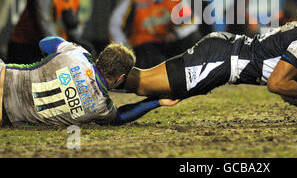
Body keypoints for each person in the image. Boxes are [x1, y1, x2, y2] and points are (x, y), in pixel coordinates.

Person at [122, 0, 297, 113]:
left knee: (148, 83)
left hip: (222, 55)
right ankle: (98, 77)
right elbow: (277, 83)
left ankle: (102, 77)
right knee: (143, 85)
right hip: (221, 59)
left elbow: (296, 68)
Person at [0, 36, 177, 127]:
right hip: (6, 114)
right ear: (120, 78)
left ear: (100, 57)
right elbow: (121, 117)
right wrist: (157, 101)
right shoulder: (101, 107)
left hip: (4, 75)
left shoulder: (78, 55)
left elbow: (45, 43)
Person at [109, 0, 200, 68]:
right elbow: (115, 23)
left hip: (166, 42)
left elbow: (193, 21)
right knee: (157, 61)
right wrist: (124, 47)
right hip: (144, 46)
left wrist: (177, 33)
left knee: (194, 38)